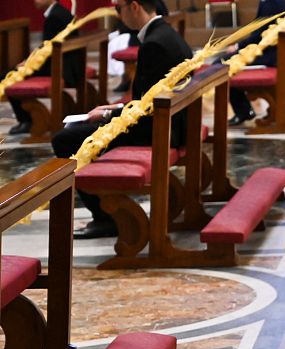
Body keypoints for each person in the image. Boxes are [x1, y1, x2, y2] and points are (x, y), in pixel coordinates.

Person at [51, 0, 193, 239]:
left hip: (158, 129)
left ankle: (105, 217)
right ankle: (105, 212)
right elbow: (145, 100)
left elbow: (144, 110)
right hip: (169, 121)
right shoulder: (166, 34)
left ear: (134, 6)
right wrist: (115, 107)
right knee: (83, 129)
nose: (118, 14)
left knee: (64, 140)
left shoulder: (155, 44)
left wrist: (107, 115)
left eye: (118, 8)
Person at [8, 0, 79, 135]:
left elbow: (49, 52)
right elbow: (48, 47)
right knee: (16, 71)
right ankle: (28, 119)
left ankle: (27, 121)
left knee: (9, 77)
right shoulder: (60, 12)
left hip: (58, 68)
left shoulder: (55, 17)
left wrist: (29, 64)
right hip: (66, 64)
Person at [226, 0, 285, 126]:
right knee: (226, 61)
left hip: (269, 55)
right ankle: (244, 110)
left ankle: (242, 111)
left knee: (224, 65)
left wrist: (238, 46)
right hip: (268, 51)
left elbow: (260, 35)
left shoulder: (273, 3)